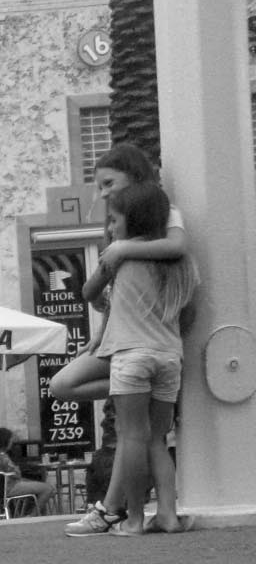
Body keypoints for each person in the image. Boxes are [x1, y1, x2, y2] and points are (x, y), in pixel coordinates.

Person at [58, 181, 197, 536]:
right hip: (169, 356)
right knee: (157, 439)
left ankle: (133, 519)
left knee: (131, 437)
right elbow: (190, 311)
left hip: (131, 355)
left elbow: (88, 290)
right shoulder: (182, 261)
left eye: (114, 220)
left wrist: (113, 257)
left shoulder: (120, 258)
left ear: (131, 221)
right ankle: (167, 515)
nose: (109, 228)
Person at [0, 426, 55, 515]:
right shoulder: (2, 457)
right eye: (10, 440)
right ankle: (32, 515)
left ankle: (25, 513)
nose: (11, 443)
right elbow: (17, 474)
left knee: (37, 484)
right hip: (9, 487)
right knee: (47, 488)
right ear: (5, 441)